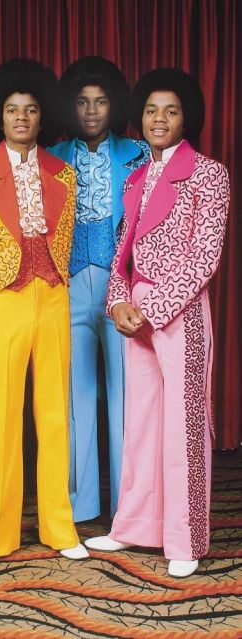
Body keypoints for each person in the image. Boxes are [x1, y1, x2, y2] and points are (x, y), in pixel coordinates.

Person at [85, 68, 230, 578]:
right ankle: (134, 527)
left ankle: (185, 538)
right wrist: (120, 301)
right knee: (141, 422)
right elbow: (122, 251)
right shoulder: (137, 176)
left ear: (186, 117)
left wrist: (155, 306)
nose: (159, 119)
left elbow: (204, 257)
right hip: (136, 311)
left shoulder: (209, 173)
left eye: (170, 110)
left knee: (183, 423)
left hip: (181, 312)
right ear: (140, 118)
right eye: (151, 110)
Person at [0, 58, 88, 567]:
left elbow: (65, 238)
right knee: (4, 417)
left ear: (41, 116)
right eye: (13, 109)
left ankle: (60, 526)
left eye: (31, 109)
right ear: (0, 115)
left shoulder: (65, 174)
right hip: (5, 300)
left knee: (54, 415)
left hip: (54, 295)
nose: (22, 118)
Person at [49, 57, 148, 522]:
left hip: (121, 287)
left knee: (125, 396)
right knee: (77, 396)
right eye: (83, 102)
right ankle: (81, 504)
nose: (91, 110)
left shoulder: (137, 154)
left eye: (101, 101)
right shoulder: (51, 158)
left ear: (115, 105)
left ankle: (127, 506)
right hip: (68, 285)